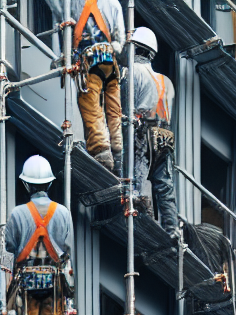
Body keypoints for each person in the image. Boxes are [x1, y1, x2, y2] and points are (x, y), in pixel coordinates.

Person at [6, 156, 75, 315]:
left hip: (25, 280)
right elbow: (67, 249)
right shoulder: (63, 213)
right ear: (49, 184)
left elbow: (8, 249)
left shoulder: (17, 213)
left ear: (26, 184)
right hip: (54, 280)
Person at [128, 27, 177, 235]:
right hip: (164, 136)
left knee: (137, 173)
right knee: (164, 185)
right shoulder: (166, 82)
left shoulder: (134, 72)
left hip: (144, 132)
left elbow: (130, 109)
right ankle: (172, 227)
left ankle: (137, 207)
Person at [72, 0, 125, 170]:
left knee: (91, 107)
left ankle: (101, 152)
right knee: (114, 110)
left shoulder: (74, 2)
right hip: (110, 62)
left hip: (90, 61)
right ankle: (117, 151)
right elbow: (120, 40)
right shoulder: (114, 3)